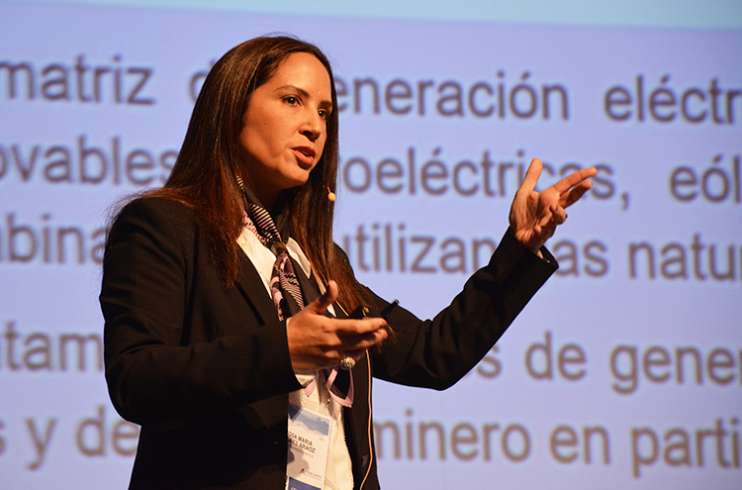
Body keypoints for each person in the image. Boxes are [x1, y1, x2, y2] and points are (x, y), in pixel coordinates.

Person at [100, 35, 596, 490]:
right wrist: (283, 352)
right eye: (292, 100)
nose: (314, 126)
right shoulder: (165, 225)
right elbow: (136, 378)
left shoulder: (316, 260)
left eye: (324, 112)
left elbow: (433, 354)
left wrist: (518, 250)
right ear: (232, 108)